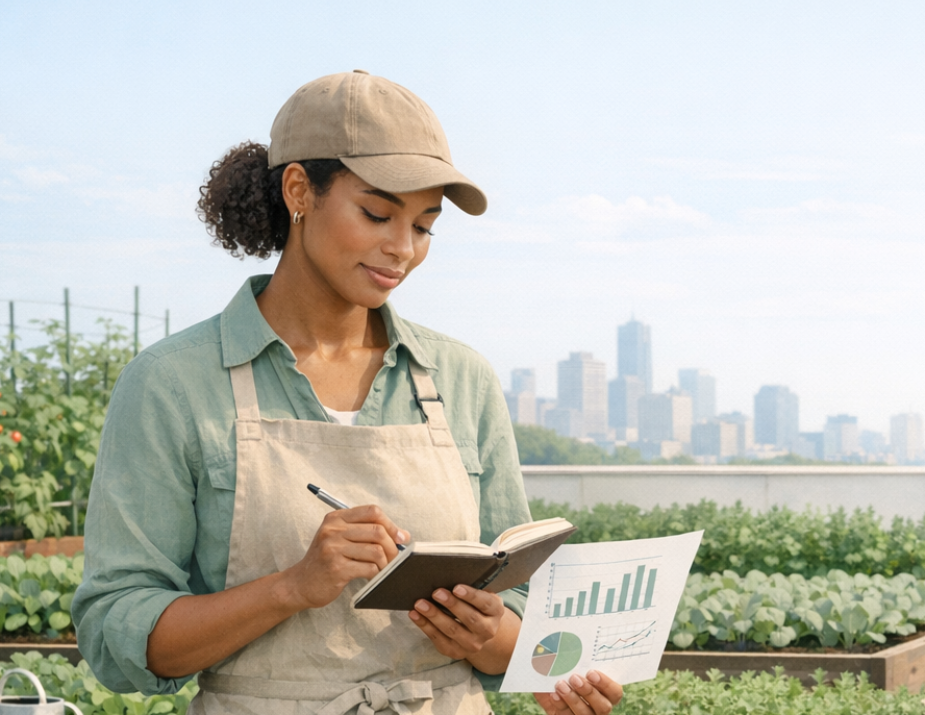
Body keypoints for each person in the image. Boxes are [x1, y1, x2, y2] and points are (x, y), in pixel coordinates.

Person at [72, 70, 623, 715]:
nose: (402, 250)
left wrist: (496, 637)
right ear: (299, 189)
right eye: (377, 213)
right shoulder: (173, 384)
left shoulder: (460, 378)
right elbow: (116, 634)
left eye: (423, 226)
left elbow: (522, 613)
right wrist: (292, 587)